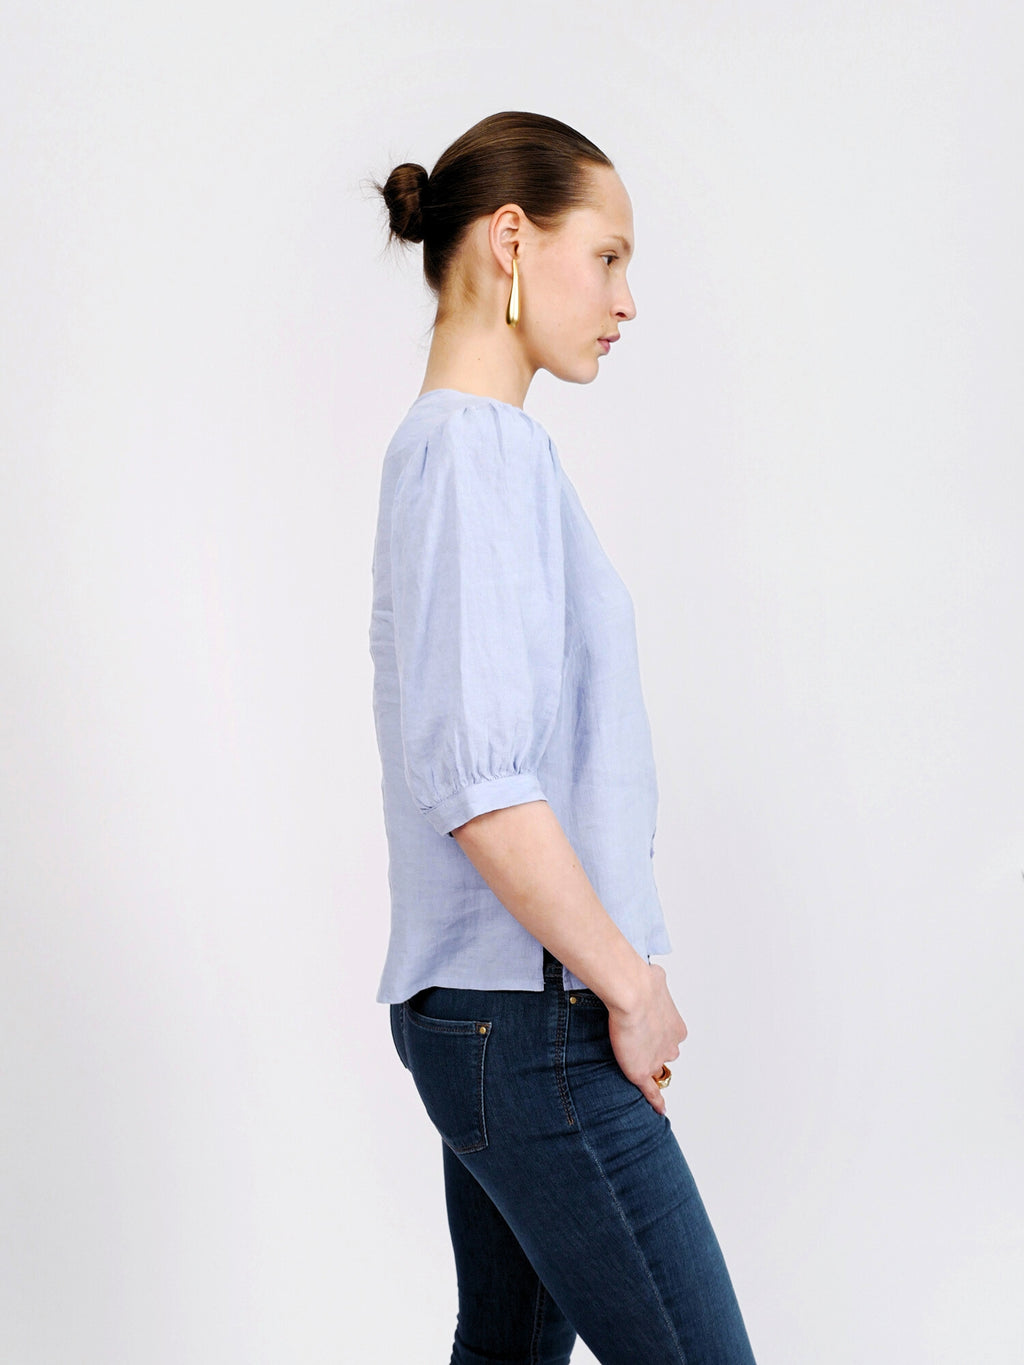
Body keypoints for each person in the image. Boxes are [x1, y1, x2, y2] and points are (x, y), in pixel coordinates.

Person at [368, 111, 757, 1365]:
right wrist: (629, 988)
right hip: (529, 1017)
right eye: (608, 256)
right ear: (511, 241)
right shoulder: (467, 455)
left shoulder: (485, 453)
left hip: (506, 1010)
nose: (625, 299)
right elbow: (480, 786)